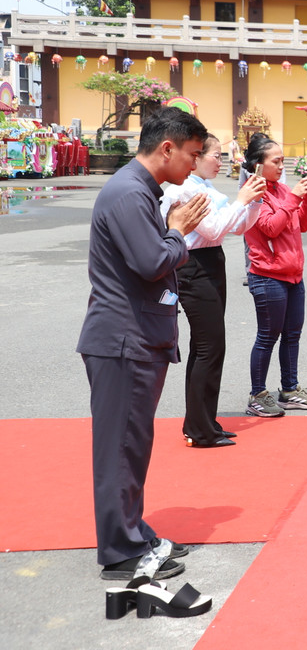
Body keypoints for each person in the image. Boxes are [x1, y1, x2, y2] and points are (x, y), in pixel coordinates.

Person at [78, 108, 210, 582]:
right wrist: (178, 231)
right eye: (193, 155)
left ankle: (132, 532)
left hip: (134, 337)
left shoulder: (138, 190)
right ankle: (120, 551)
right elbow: (152, 260)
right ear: (167, 148)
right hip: (123, 339)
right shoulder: (130, 192)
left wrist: (174, 228)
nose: (195, 166)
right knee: (120, 448)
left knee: (132, 445)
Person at [159, 134, 266, 448]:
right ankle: (200, 428)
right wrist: (243, 200)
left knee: (208, 347)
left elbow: (237, 227)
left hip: (210, 263)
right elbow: (216, 228)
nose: (221, 162)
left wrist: (254, 201)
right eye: (215, 155)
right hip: (193, 266)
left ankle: (203, 422)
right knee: (209, 347)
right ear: (196, 156)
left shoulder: (204, 188)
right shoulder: (185, 189)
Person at [241, 133, 307, 418]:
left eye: (282, 160)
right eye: (276, 161)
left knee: (292, 335)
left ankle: (289, 389)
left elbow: (301, 225)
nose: (281, 165)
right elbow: (270, 228)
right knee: (267, 336)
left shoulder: (282, 189)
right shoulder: (254, 192)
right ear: (258, 165)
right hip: (267, 275)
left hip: (292, 275)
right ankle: (257, 394)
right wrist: (294, 197)